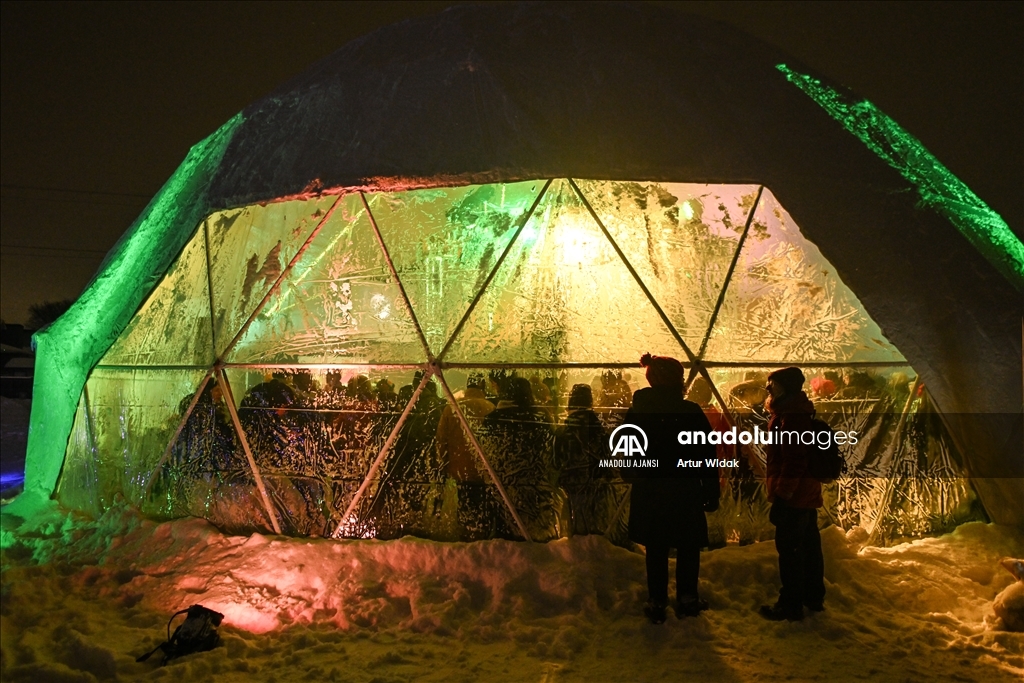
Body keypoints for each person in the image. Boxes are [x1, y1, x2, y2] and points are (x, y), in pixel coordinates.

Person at [624, 354, 718, 624]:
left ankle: (657, 600)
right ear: (677, 379)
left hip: (650, 490)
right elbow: (706, 454)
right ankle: (687, 598)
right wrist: (710, 490)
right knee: (688, 546)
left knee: (656, 547)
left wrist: (635, 475)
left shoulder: (638, 411)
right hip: (685, 489)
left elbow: (627, 448)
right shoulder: (690, 411)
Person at [759, 366, 825, 622]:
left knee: (790, 551)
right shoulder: (795, 412)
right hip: (805, 493)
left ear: (785, 387)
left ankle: (790, 604)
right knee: (808, 547)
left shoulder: (792, 417)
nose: (768, 389)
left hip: (794, 496)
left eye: (773, 385)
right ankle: (813, 596)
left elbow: (794, 462)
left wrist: (783, 495)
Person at [553, 384, 608, 535]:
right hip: (597, 486)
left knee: (574, 525)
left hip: (571, 487)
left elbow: (556, 462)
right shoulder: (601, 431)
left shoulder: (563, 432)